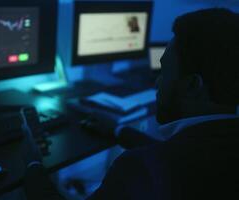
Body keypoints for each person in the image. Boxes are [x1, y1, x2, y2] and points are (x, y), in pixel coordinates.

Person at [22, 8, 239, 200]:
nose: (157, 81)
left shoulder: (140, 168)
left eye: (164, 72)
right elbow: (175, 152)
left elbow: (162, 159)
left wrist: (33, 163)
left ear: (192, 85)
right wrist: (119, 130)